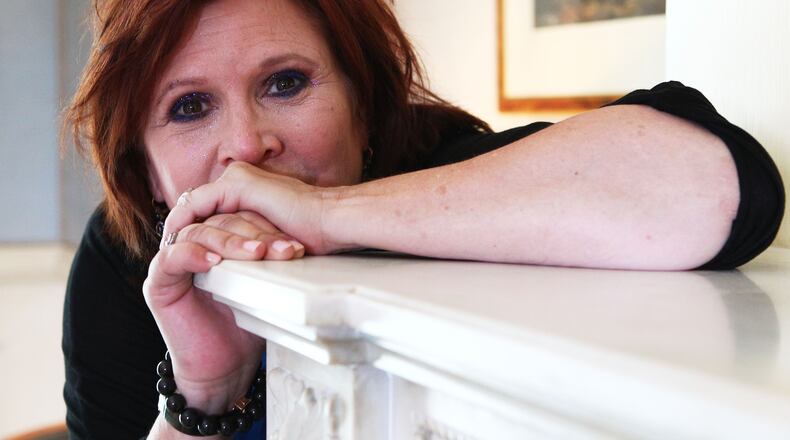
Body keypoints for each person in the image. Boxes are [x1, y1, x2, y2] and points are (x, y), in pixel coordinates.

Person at [61, 0, 784, 438]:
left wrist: (325, 212)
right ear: (145, 174)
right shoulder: (122, 263)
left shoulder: (446, 174)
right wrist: (205, 396)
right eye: (189, 107)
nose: (249, 144)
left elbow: (714, 187)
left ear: (363, 105)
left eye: (286, 83)